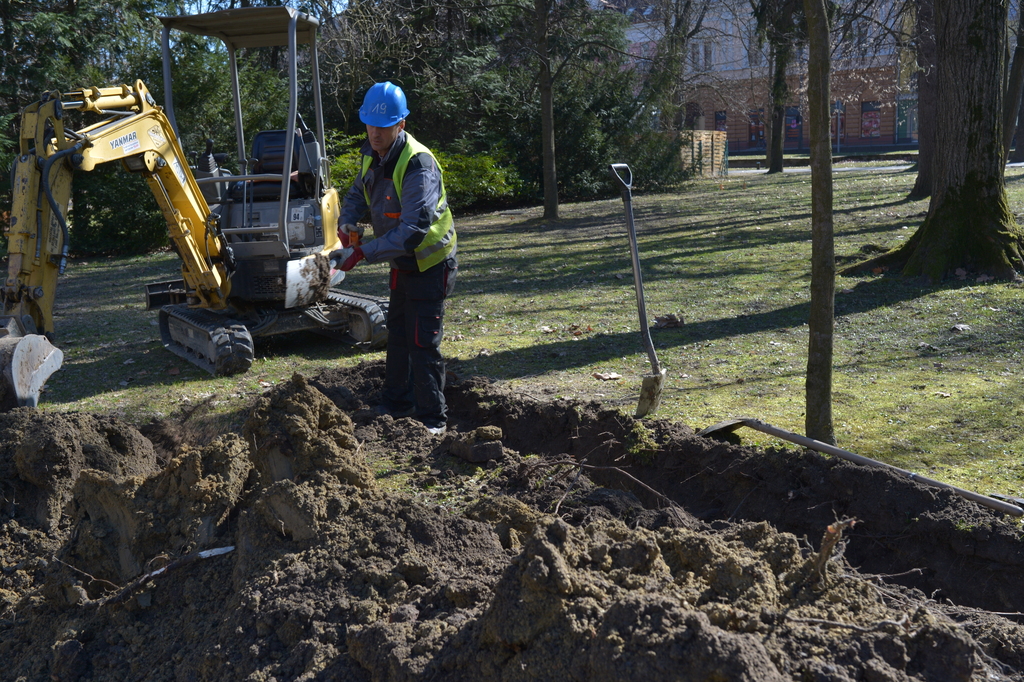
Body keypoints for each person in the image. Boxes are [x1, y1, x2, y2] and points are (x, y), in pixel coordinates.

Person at [332, 81, 457, 436]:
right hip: (402, 264)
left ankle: (433, 420)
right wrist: (347, 221)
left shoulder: (419, 164)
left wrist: (361, 252)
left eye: (383, 126)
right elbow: (358, 190)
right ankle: (396, 403)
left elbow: (414, 230)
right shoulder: (373, 153)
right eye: (370, 124)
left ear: (400, 125)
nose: (374, 132)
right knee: (398, 334)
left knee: (422, 341)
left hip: (431, 265)